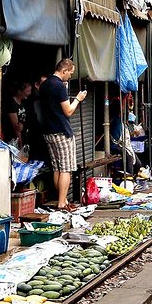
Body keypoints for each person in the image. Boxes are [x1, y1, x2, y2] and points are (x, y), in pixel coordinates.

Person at [39, 59, 87, 211]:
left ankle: (63, 199)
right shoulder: (59, 86)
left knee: (56, 168)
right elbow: (68, 111)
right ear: (64, 70)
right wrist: (78, 99)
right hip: (62, 131)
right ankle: (61, 203)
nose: (70, 77)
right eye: (70, 73)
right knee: (66, 168)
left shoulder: (45, 84)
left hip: (48, 131)